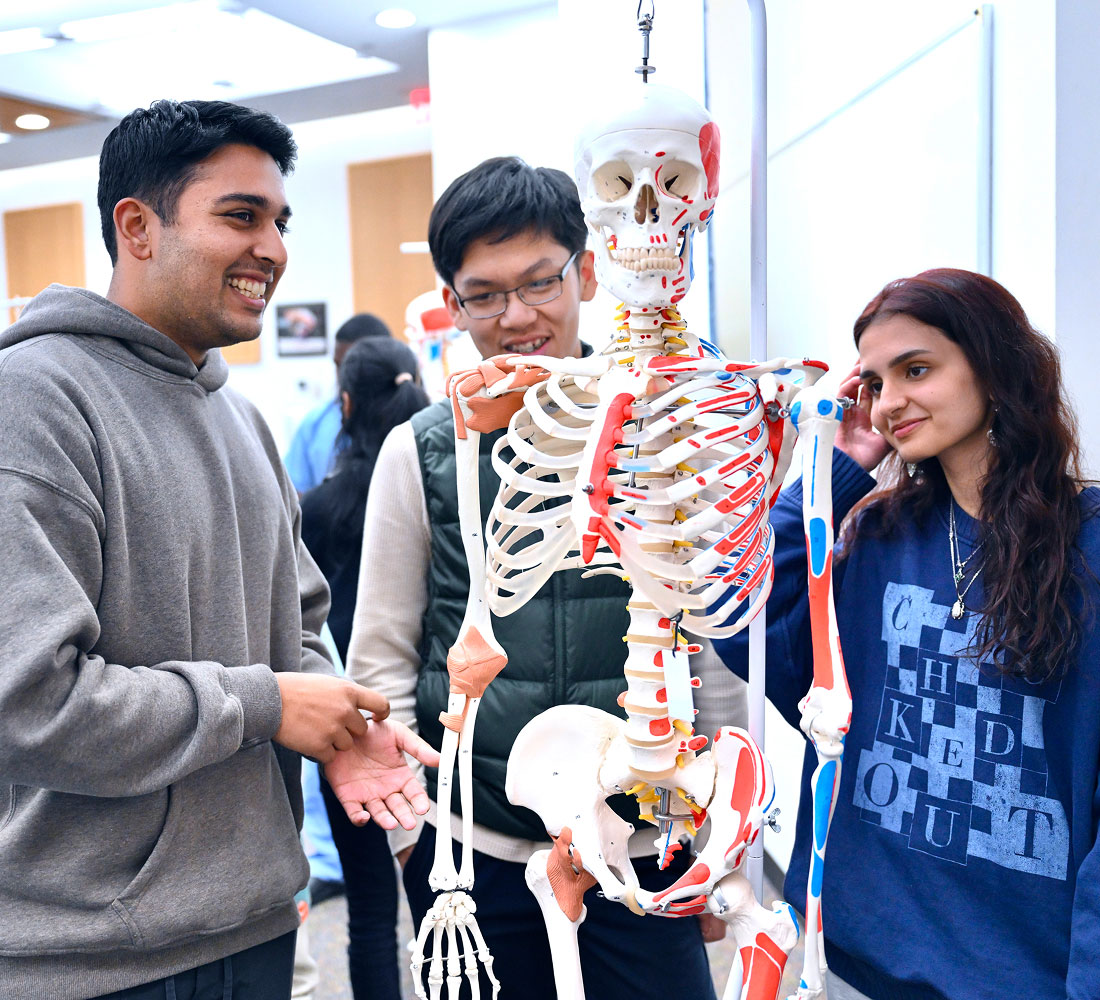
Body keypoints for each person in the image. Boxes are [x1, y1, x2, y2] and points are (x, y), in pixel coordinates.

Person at [0, 99, 438, 1000]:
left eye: (280, 221)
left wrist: (341, 725)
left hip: (256, 921)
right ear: (138, 227)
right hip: (93, 955)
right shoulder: (35, 401)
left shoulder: (239, 418)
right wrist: (267, 704)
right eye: (240, 216)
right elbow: (28, 701)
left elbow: (300, 627)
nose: (272, 248)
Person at [347, 156, 733, 1000]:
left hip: (643, 842)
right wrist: (415, 838)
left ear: (587, 273)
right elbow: (378, 655)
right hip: (473, 849)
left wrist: (716, 835)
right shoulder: (420, 450)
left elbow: (712, 646)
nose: (516, 317)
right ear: (453, 305)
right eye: (484, 294)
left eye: (538, 283)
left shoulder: (664, 430)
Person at [714, 268, 1100, 1000]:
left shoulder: (1089, 547)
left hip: (1028, 977)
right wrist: (832, 469)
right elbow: (749, 630)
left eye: (916, 370)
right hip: (856, 959)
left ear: (996, 366)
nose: (890, 403)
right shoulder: (877, 535)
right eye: (877, 382)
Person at [298, 336, 431, 999]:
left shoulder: (318, 510)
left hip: (348, 724)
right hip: (429, 724)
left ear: (346, 404)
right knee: (445, 907)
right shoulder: (440, 488)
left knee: (372, 913)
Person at [285, 313, 392, 493]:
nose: (343, 375)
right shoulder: (315, 423)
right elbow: (294, 494)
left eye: (352, 365)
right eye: (338, 365)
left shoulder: (405, 419)